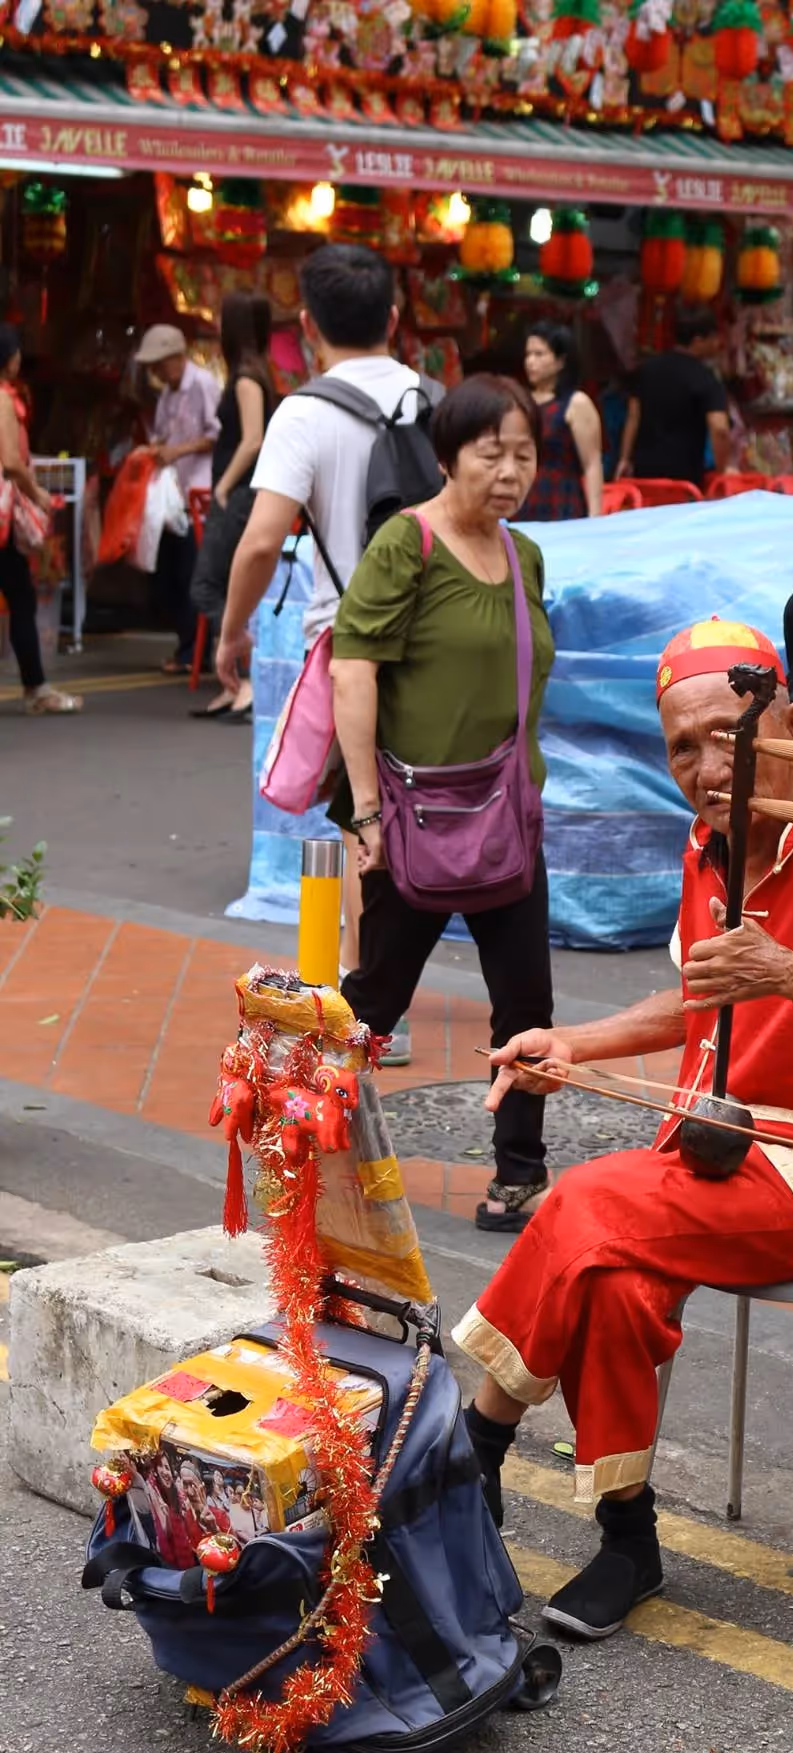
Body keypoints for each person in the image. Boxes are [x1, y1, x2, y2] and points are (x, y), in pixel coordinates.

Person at [455, 617, 793, 1641]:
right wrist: (572, 1042)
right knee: (613, 1278)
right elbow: (693, 1005)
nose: (706, 765)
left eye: (729, 734)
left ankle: (474, 1448)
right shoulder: (708, 850)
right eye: (683, 746)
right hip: (715, 1160)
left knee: (586, 1200)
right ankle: (629, 1539)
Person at [330, 374, 556, 1234]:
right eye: (489, 453)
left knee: (526, 1000)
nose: (508, 471)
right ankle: (300, 1128)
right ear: (446, 455)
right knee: (376, 995)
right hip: (415, 819)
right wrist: (365, 813)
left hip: (505, 816)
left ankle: (519, 1173)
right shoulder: (406, 544)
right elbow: (354, 670)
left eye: (523, 454)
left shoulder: (523, 553)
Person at [216, 244, 424, 1063]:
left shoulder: (302, 412)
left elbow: (263, 536)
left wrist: (233, 631)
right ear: (395, 320)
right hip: (428, 631)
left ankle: (370, 1000)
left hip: (347, 640)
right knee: (414, 804)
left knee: (357, 814)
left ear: (304, 328)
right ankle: (383, 986)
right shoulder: (429, 398)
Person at [189, 291, 275, 722]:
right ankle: (233, 682)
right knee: (224, 583)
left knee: (206, 585)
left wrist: (222, 486)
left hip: (239, 492)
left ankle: (247, 675)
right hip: (245, 491)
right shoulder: (256, 372)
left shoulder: (245, 378)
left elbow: (254, 438)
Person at [0, 324, 80, 715]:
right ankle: (36, 688)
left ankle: (37, 686)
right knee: (21, 598)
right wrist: (39, 496)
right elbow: (11, 462)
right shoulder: (2, 399)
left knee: (20, 597)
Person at [136, 324, 220, 677]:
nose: (154, 371)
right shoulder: (167, 395)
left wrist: (177, 450)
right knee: (166, 575)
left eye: (159, 363)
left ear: (176, 357)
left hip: (197, 494)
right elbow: (162, 434)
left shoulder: (202, 383)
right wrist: (155, 450)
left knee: (189, 573)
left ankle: (193, 651)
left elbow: (216, 433)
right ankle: (188, 646)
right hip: (172, 496)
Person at [616, 306, 731, 492]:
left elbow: (633, 416)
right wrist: (722, 469)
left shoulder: (646, 369)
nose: (717, 343)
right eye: (713, 338)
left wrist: (624, 459)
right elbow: (720, 429)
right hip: (684, 481)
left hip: (644, 476)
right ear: (698, 341)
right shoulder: (705, 378)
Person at [520, 321, 603, 520]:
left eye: (539, 354)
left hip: (561, 499)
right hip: (522, 499)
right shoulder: (520, 401)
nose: (530, 362)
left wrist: (595, 517)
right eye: (528, 355)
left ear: (561, 361)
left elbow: (592, 464)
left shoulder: (576, 403)